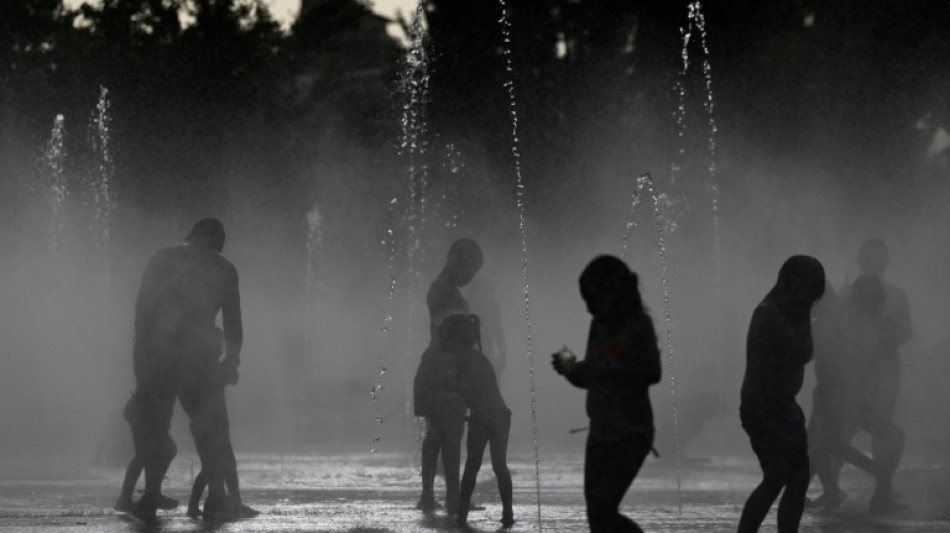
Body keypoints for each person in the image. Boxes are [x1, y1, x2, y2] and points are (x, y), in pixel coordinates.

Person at [131, 217, 254, 521]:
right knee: (211, 429)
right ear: (219, 244)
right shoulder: (224, 269)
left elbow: (143, 311)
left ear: (191, 235)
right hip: (200, 357)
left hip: (158, 354)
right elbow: (233, 325)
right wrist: (231, 361)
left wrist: (142, 357)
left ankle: (150, 494)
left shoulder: (163, 259)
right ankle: (216, 496)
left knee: (156, 428)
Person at [552, 255, 661, 533]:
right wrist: (570, 370)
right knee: (596, 517)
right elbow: (590, 377)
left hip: (631, 431)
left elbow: (652, 372)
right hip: (600, 432)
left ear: (614, 292)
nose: (589, 308)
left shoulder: (639, 325)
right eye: (586, 300)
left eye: (593, 299)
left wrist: (608, 371)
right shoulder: (598, 326)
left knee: (603, 509)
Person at [737, 255, 825, 533]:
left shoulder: (788, 312)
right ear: (792, 284)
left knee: (798, 477)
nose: (808, 300)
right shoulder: (769, 313)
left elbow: (805, 351)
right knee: (777, 475)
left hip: (784, 406)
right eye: (807, 292)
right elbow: (801, 352)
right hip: (762, 407)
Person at [414, 238, 483, 514]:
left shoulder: (442, 288)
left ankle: (429, 494)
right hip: (446, 368)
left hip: (436, 365)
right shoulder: (445, 291)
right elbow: (452, 334)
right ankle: (453, 497)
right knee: (450, 434)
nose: (471, 278)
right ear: (457, 262)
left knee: (435, 434)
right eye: (470, 271)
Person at [437, 313, 514, 528]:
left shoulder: (465, 360)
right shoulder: (476, 358)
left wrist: (453, 389)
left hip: (484, 417)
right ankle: (507, 512)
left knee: (474, 466)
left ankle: (462, 516)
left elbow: (473, 392)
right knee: (499, 465)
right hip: (499, 416)